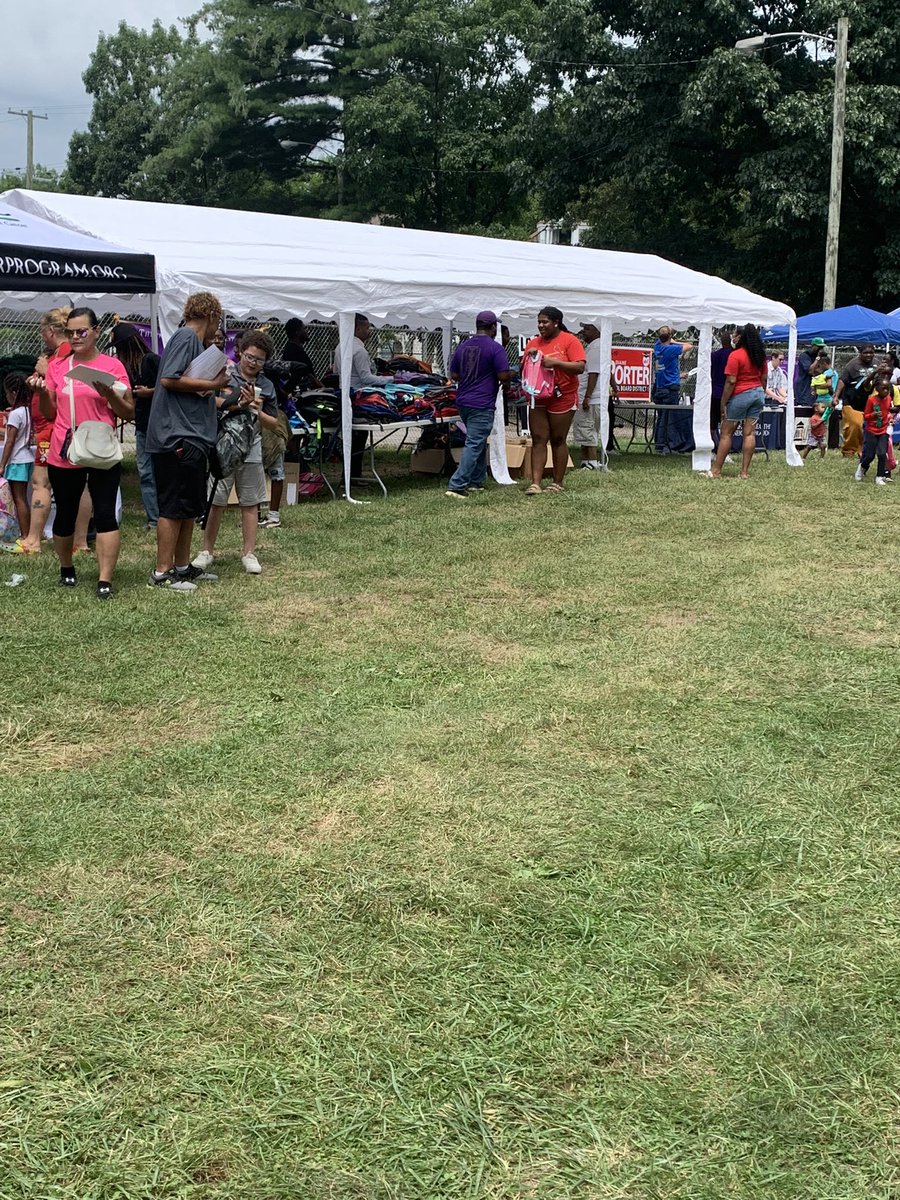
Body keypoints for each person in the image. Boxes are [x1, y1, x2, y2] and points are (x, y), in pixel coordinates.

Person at [28, 307, 133, 599]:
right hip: (66, 449)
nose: (75, 337)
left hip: (101, 448)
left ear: (96, 331)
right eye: (71, 332)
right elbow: (50, 413)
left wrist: (110, 394)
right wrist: (40, 394)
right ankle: (66, 568)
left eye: (82, 331)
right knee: (66, 513)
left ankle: (104, 580)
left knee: (104, 513)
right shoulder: (58, 367)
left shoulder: (113, 366)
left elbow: (130, 411)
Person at [146, 292, 228, 592]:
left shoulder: (195, 343)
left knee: (189, 506)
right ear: (209, 315)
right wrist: (213, 384)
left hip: (191, 435)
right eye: (216, 321)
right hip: (176, 436)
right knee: (173, 506)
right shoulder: (185, 337)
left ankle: (181, 566)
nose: (215, 328)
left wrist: (211, 391)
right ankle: (162, 572)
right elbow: (169, 378)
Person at [192, 330, 278, 574]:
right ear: (240, 352)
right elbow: (209, 399)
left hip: (251, 446)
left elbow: (274, 422)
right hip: (222, 444)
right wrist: (238, 403)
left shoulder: (267, 385)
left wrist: (256, 410)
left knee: (250, 502)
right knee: (216, 500)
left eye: (259, 360)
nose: (253, 363)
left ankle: (249, 553)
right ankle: (206, 550)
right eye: (250, 357)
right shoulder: (224, 375)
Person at [444, 311, 511, 499]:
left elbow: (454, 375)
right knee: (474, 442)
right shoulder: (495, 348)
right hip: (482, 403)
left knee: (478, 440)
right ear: (493, 327)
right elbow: (503, 375)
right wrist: (509, 378)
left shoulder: (463, 346)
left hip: (464, 401)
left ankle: (475, 480)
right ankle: (457, 485)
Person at [522, 307, 585, 495]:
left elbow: (580, 367)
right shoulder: (533, 342)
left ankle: (557, 482)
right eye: (539, 322)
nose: (541, 325)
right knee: (539, 439)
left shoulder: (570, 340)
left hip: (562, 396)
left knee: (558, 439)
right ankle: (535, 483)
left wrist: (555, 363)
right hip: (538, 396)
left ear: (556, 322)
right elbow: (524, 367)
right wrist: (529, 356)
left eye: (545, 322)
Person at [110, 322, 161, 529]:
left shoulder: (151, 360)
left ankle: (165, 516)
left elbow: (172, 386)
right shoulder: (127, 369)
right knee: (146, 471)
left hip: (158, 426)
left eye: (119, 348)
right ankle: (154, 519)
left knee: (159, 472)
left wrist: (149, 392)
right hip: (142, 426)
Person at [707, 323, 767, 480]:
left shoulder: (736, 355)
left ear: (741, 337)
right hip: (758, 394)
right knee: (750, 433)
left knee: (726, 433)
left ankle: (716, 470)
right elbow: (764, 378)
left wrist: (723, 402)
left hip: (740, 395)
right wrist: (760, 394)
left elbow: (731, 381)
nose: (733, 337)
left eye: (735, 334)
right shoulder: (760, 355)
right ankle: (744, 472)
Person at [571, 319, 617, 469]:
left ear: (597, 331)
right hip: (590, 396)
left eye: (588, 328)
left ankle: (591, 462)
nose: (584, 331)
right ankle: (586, 461)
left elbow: (594, 373)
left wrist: (587, 397)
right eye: (584, 328)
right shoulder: (595, 346)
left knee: (587, 430)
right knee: (585, 430)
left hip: (590, 397)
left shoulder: (596, 347)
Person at [0, 373, 35, 540]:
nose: (6, 396)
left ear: (13, 393)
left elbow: (9, 442)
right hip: (27, 458)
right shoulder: (28, 411)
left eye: (6, 392)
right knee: (23, 498)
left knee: (19, 499)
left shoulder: (15, 414)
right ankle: (26, 532)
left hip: (17, 461)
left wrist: (2, 464)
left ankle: (25, 534)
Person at [652, 325, 693, 454]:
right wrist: (674, 341)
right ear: (670, 337)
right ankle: (663, 445)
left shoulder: (657, 347)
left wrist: (678, 375)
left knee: (661, 417)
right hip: (669, 388)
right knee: (667, 418)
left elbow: (665, 368)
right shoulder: (671, 349)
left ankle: (659, 443)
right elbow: (689, 346)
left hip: (659, 386)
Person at [855, 370, 896, 486]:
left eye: (888, 389)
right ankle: (862, 467)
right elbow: (866, 416)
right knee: (870, 455)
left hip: (883, 430)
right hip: (872, 430)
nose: (886, 391)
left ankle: (880, 476)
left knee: (882, 454)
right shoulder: (871, 400)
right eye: (884, 389)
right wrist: (873, 415)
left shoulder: (888, 399)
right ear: (877, 389)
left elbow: (888, 410)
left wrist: (892, 412)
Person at [835, 344, 876, 459]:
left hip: (868, 402)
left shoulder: (876, 364)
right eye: (865, 353)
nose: (868, 355)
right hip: (851, 401)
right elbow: (842, 380)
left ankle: (862, 450)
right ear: (860, 353)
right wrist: (836, 396)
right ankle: (848, 451)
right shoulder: (852, 365)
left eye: (871, 352)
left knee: (866, 428)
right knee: (855, 426)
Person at [710, 330, 732, 443]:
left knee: (712, 423)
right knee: (726, 422)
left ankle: (711, 447)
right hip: (728, 393)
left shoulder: (714, 355)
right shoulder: (733, 355)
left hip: (714, 392)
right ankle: (724, 448)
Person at [794, 338, 829, 408]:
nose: (820, 349)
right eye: (819, 347)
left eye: (822, 347)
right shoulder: (805, 355)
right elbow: (810, 371)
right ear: (813, 346)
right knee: (805, 407)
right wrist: (818, 358)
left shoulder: (819, 357)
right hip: (804, 387)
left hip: (814, 388)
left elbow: (821, 370)